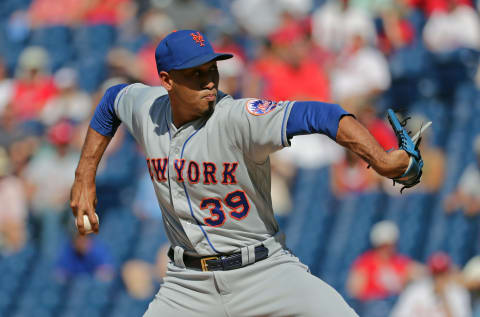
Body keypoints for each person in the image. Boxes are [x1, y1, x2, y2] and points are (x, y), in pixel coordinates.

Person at [70, 30, 421, 316]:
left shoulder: (239, 116)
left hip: (264, 272)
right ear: (166, 80)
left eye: (212, 70)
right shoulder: (146, 107)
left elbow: (324, 115)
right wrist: (85, 176)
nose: (209, 82)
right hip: (187, 284)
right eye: (196, 74)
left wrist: (382, 160)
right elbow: (111, 101)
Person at [347, 221, 423, 301]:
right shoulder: (365, 263)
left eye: (390, 246)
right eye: (384, 246)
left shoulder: (400, 262)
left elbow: (421, 272)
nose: (387, 249)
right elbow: (355, 291)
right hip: (371, 306)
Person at [390, 251, 471, 317]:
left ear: (447, 272)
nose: (438, 277)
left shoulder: (458, 293)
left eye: (441, 273)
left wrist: (444, 296)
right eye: (436, 273)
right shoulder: (415, 290)